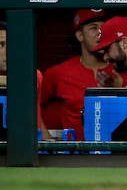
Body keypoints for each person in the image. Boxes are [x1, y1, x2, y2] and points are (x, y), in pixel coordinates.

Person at [40, 9, 113, 140]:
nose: (100, 33)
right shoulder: (58, 73)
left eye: (104, 27)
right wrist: (46, 136)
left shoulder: (120, 70)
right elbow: (32, 105)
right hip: (74, 155)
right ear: (80, 36)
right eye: (93, 28)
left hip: (116, 153)